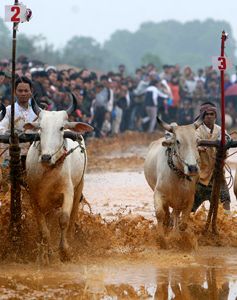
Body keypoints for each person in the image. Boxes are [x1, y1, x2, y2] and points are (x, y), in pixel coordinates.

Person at [192, 102, 231, 212]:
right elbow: (193, 144)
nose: (209, 116)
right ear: (202, 116)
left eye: (212, 114)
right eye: (206, 114)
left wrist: (226, 146)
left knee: (226, 201)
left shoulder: (221, 131)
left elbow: (227, 142)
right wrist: (199, 147)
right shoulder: (196, 131)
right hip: (200, 177)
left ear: (215, 116)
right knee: (189, 208)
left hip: (218, 176)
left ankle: (227, 224)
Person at [0, 76, 37, 170]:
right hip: (12, 156)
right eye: (20, 91)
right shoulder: (8, 111)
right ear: (14, 92)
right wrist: (8, 133)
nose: (23, 93)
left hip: (34, 156)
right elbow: (1, 128)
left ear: (31, 91)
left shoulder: (38, 112)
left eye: (26, 90)